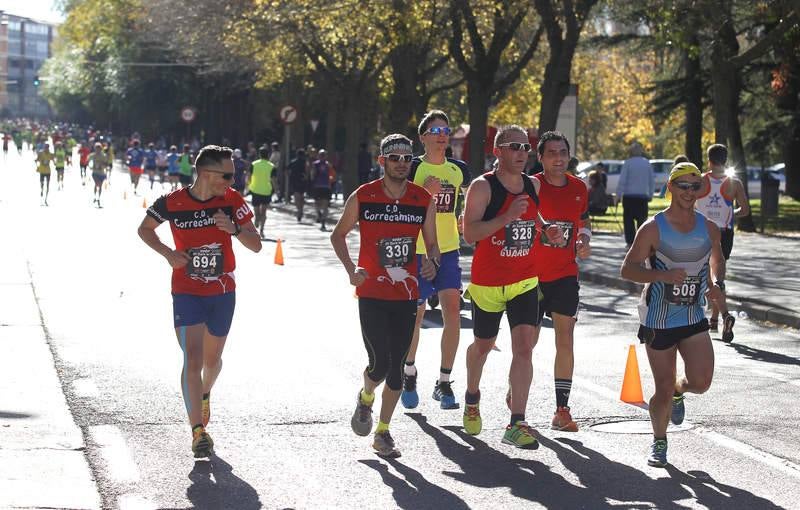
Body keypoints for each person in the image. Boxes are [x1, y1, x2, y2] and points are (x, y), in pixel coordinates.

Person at [137, 145, 262, 458]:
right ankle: (197, 432)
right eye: (228, 174)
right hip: (187, 290)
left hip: (222, 293)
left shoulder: (233, 201)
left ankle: (205, 392)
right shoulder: (171, 202)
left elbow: (257, 244)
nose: (233, 180)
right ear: (207, 173)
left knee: (211, 361)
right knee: (192, 360)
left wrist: (233, 229)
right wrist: (168, 253)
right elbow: (145, 229)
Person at [330, 133, 439, 458]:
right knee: (379, 365)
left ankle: (383, 431)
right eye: (395, 158)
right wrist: (352, 270)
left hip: (406, 293)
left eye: (407, 159)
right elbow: (338, 235)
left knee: (397, 368)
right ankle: (366, 398)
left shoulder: (421, 199)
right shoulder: (364, 196)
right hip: (372, 292)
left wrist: (432, 261)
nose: (402, 164)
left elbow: (431, 243)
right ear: (382, 161)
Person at [620, 162, 727, 468]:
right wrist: (661, 277)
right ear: (670, 188)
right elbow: (627, 269)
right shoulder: (653, 228)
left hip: (692, 314)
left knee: (702, 381)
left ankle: (682, 391)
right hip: (659, 318)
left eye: (695, 187)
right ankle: (659, 440)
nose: (689, 192)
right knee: (662, 387)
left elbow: (717, 260)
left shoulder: (708, 227)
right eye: (683, 186)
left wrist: (717, 283)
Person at [460, 125, 559, 449]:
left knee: (524, 348)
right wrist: (505, 218)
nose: (522, 153)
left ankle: (516, 422)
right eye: (514, 146)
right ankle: (472, 396)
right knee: (483, 346)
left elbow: (534, 219)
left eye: (526, 147)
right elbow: (469, 234)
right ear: (498, 151)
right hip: (488, 282)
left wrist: (547, 232)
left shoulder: (532, 185)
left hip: (524, 280)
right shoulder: (482, 187)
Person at [400, 110, 470, 411]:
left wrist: (467, 217)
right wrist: (421, 193)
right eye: (435, 129)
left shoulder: (458, 170)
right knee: (416, 315)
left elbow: (466, 201)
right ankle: (409, 372)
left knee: (452, 310)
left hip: (449, 250)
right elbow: (399, 204)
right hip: (417, 251)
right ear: (423, 137)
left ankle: (443, 382)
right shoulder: (413, 167)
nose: (442, 134)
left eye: (446, 129)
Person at [531, 131, 591, 432]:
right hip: (531, 276)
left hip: (565, 274)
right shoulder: (532, 187)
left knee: (565, 339)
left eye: (563, 152)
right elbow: (520, 224)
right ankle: (516, 393)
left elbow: (584, 219)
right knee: (527, 343)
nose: (558, 158)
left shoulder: (579, 187)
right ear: (540, 158)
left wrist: (584, 239)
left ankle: (562, 409)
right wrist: (543, 233)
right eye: (552, 152)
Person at [694, 144, 749, 342]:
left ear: (709, 159)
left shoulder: (700, 181)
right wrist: (729, 214)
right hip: (724, 233)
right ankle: (716, 319)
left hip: (702, 232)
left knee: (706, 276)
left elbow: (688, 204)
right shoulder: (734, 182)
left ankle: (719, 317)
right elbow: (745, 210)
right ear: (725, 160)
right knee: (719, 278)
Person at [619, 142, 654, 246]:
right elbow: (651, 181)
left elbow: (622, 180)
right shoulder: (646, 163)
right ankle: (641, 240)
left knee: (628, 221)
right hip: (642, 197)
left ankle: (630, 242)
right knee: (642, 221)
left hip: (629, 197)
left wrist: (618, 194)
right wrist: (651, 194)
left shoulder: (628, 163)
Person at [249, 146, 276, 238]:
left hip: (255, 190)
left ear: (259, 154)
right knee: (264, 212)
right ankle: (262, 230)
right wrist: (276, 189)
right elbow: (273, 180)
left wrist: (247, 185)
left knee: (256, 210)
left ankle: (256, 219)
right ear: (268, 155)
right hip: (266, 191)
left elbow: (248, 176)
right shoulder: (271, 166)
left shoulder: (254, 164)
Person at [311, 149, 335, 231]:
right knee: (325, 205)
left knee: (317, 203)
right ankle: (323, 222)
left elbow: (312, 175)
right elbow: (332, 176)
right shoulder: (328, 165)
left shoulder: (315, 164)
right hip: (326, 186)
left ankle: (319, 214)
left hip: (318, 186)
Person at [289, 148, 308, 222]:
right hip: (303, 181)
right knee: (302, 197)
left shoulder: (293, 162)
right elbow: (307, 171)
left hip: (295, 181)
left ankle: (299, 210)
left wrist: (290, 177)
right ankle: (301, 210)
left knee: (297, 197)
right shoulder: (305, 162)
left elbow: (287, 170)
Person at [89, 142, 109, 207]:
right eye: (96, 149)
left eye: (99, 149)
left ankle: (98, 197)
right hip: (95, 173)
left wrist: (102, 165)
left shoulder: (104, 155)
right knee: (97, 184)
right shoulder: (93, 155)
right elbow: (89, 161)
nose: (97, 150)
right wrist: (91, 166)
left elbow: (106, 164)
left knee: (100, 186)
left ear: (101, 149)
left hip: (102, 173)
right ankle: (95, 196)